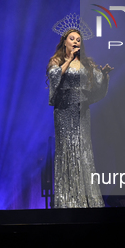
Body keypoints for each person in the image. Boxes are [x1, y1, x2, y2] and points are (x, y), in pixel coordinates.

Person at [47, 14, 113, 208]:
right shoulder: (56, 61)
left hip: (82, 110)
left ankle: (86, 201)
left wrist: (105, 75)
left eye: (78, 39)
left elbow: (96, 85)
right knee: (68, 150)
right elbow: (54, 77)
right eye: (72, 38)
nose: (75, 41)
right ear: (64, 41)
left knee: (83, 151)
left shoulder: (86, 63)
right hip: (64, 109)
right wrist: (67, 60)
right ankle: (68, 202)